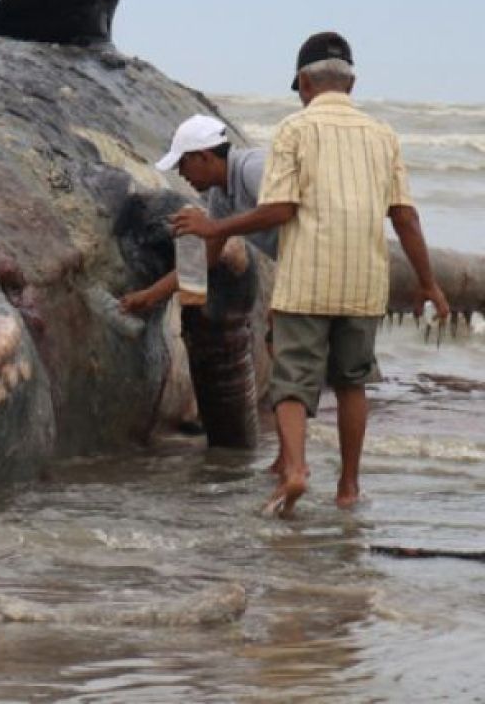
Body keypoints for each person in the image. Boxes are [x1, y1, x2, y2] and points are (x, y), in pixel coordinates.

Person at [172, 31, 449, 516]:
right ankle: (348, 489)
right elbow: (405, 217)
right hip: (365, 283)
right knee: (351, 384)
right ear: (352, 83)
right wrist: (428, 284)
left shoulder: (293, 132)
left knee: (291, 382)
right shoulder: (384, 136)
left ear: (303, 82)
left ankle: (296, 470)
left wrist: (214, 226)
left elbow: (278, 209)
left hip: (307, 280)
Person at [120, 114, 278, 316]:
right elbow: (204, 261)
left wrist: (213, 227)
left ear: (203, 156)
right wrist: (149, 296)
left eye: (182, 164)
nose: (181, 174)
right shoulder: (220, 197)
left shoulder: (252, 167)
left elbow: (280, 210)